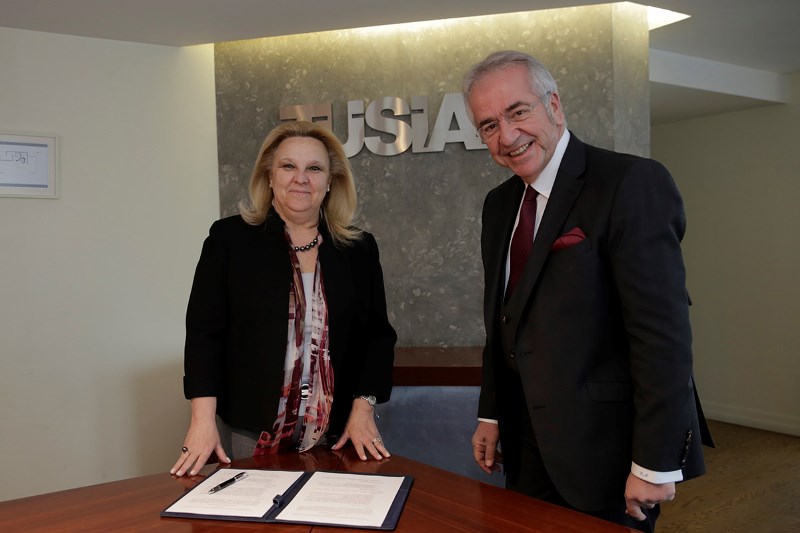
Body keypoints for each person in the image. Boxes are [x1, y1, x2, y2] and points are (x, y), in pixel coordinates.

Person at [462, 50, 713, 532]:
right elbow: (504, 321)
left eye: (518, 111)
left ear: (554, 105)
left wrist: (655, 462)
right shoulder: (499, 205)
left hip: (608, 454)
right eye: (489, 125)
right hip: (526, 448)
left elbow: (662, 336)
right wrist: (491, 414)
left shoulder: (630, 183)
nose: (507, 136)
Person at [171, 121, 396, 478]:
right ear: (270, 176)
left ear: (330, 180)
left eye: (314, 168)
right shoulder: (229, 240)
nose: (300, 179)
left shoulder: (358, 248)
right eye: (288, 166)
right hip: (251, 430)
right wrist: (201, 420)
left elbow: (377, 338)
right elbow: (204, 335)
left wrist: (364, 408)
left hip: (338, 432)